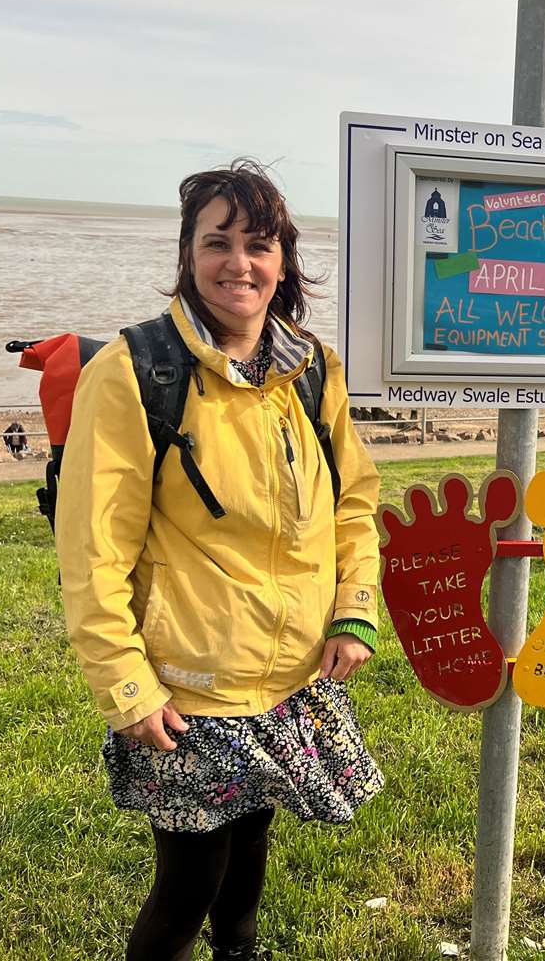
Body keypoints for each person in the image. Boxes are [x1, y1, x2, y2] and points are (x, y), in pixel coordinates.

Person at [55, 160, 383, 960]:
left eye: (259, 244)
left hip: (291, 673)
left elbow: (353, 503)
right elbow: (94, 548)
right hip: (189, 682)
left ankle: (241, 953)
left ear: (283, 261)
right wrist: (125, 683)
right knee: (188, 881)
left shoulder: (312, 370)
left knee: (254, 836)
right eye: (218, 242)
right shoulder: (136, 371)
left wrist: (353, 609)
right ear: (189, 254)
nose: (240, 263)